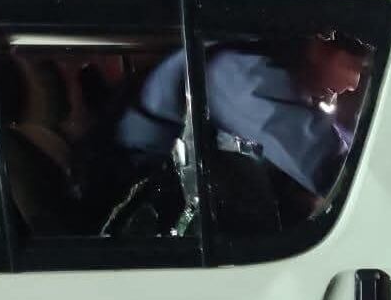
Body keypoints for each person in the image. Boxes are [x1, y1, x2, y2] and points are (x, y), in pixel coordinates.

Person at [117, 31, 368, 230]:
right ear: (323, 41)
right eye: (359, 66)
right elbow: (331, 169)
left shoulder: (266, 67)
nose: (353, 85)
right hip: (145, 195)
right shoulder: (240, 75)